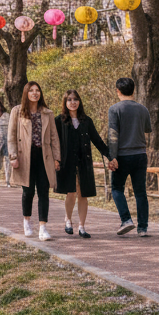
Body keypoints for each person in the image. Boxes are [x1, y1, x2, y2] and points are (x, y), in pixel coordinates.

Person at [8, 82, 61, 240]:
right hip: (25, 157)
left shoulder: (47, 113)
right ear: (26, 93)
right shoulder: (17, 111)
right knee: (28, 191)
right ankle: (27, 221)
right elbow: (11, 136)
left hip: (44, 157)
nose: (35, 93)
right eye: (31, 91)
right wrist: (13, 156)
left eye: (37, 90)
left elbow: (54, 137)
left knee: (43, 191)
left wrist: (57, 158)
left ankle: (43, 227)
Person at [54, 90, 109, 238]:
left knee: (83, 194)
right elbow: (54, 142)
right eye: (69, 99)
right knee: (71, 192)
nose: (73, 102)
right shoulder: (59, 121)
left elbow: (97, 140)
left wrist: (110, 156)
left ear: (79, 102)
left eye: (76, 99)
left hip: (84, 163)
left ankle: (82, 227)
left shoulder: (86, 121)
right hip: (67, 163)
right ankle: (68, 220)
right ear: (65, 102)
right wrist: (55, 159)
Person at [108, 76, 152, 237]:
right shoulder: (143, 109)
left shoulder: (114, 109)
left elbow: (113, 136)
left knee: (117, 188)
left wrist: (112, 157)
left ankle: (126, 220)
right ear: (134, 90)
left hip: (122, 155)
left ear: (117, 91)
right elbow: (147, 129)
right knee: (141, 192)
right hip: (140, 154)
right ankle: (143, 228)